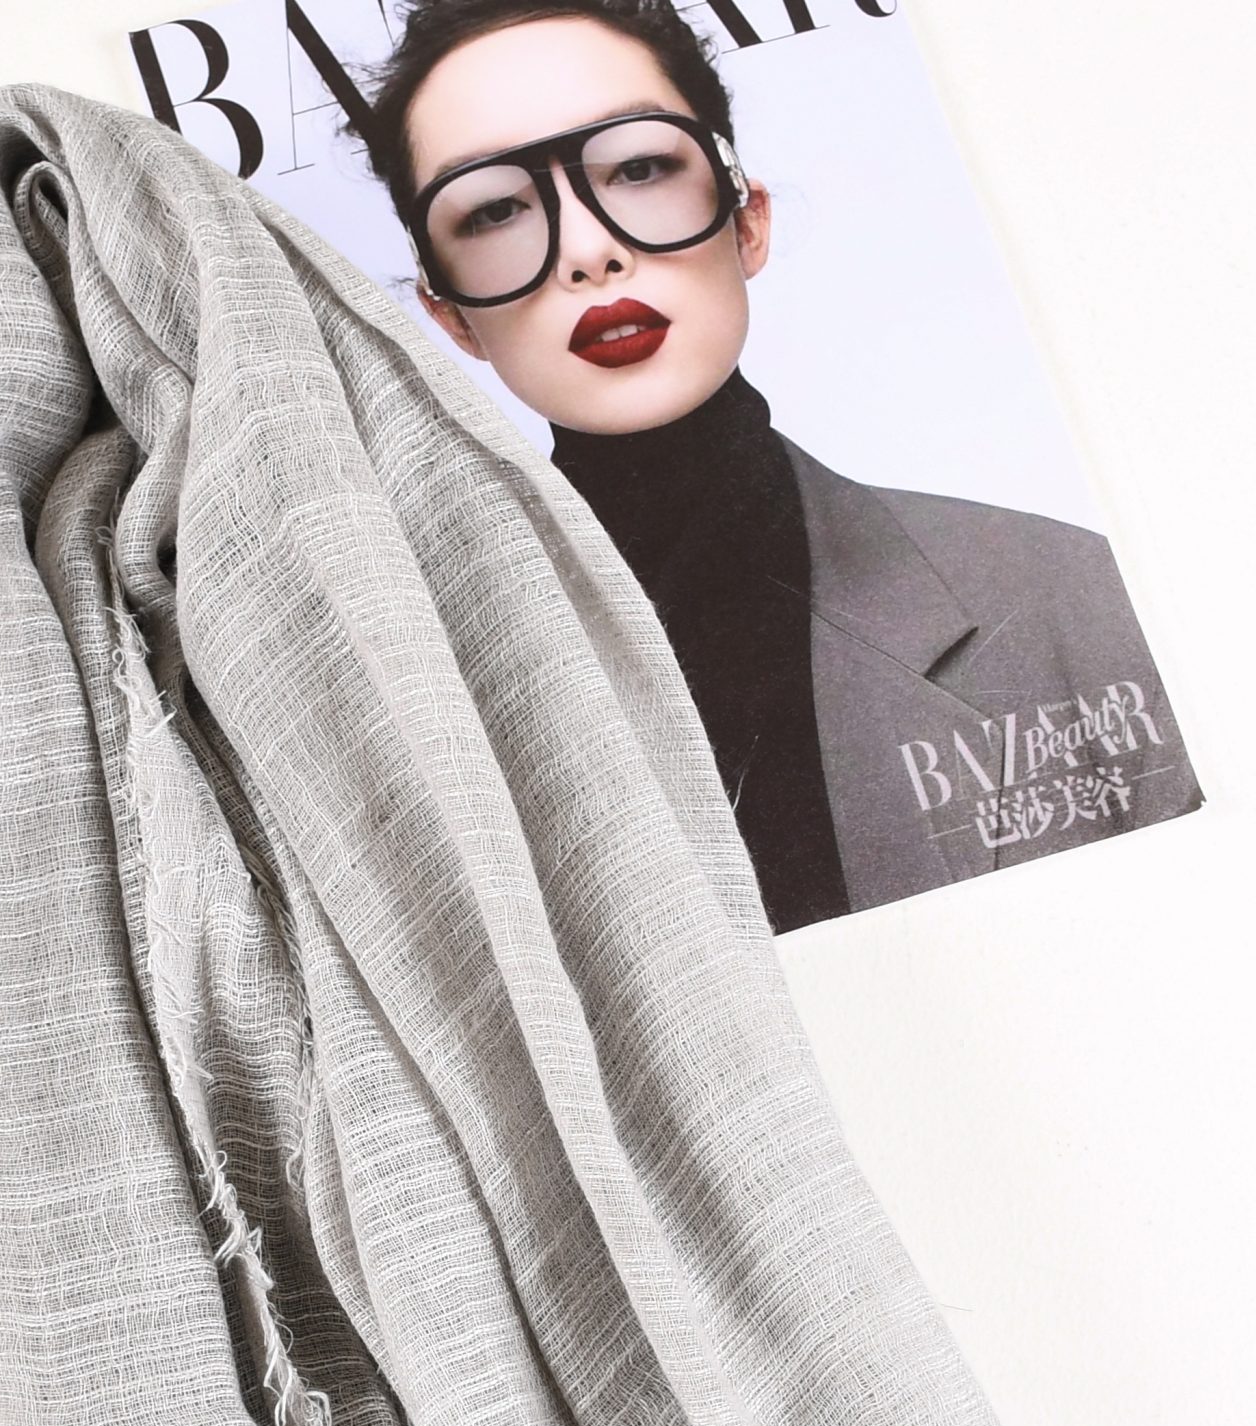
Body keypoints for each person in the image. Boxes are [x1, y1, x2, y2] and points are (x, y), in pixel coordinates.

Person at [353, 0, 1203, 930]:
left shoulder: (1069, 598)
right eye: (494, 210)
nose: (590, 251)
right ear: (449, 315)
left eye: (637, 168)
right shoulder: (405, 740)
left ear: (747, 221)